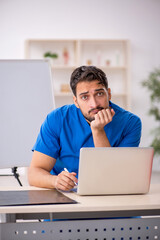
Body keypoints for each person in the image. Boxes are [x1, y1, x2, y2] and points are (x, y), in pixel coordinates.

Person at [28, 66, 142, 191]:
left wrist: (98, 130)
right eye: (84, 97)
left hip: (108, 193)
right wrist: (55, 181)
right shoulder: (57, 119)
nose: (94, 104)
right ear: (76, 101)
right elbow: (34, 173)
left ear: (108, 94)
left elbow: (113, 177)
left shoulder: (131, 123)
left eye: (99, 94)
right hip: (64, 194)